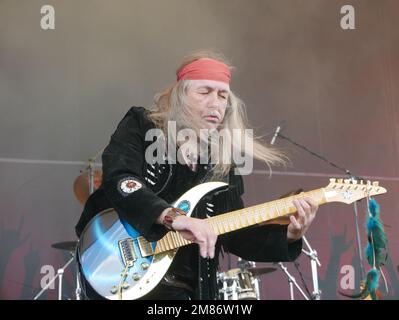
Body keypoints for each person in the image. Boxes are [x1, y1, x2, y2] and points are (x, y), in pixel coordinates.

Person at [75, 50, 318, 300]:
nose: (216, 103)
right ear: (181, 95)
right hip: (120, 267)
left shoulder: (222, 162)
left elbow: (234, 234)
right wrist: (173, 217)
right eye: (204, 92)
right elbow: (121, 179)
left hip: (191, 290)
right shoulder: (142, 125)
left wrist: (289, 235)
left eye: (223, 95)